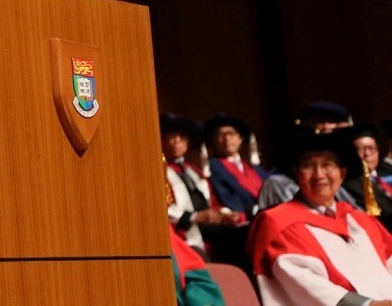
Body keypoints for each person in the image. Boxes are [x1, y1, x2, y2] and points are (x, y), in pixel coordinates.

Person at [248, 126, 392, 305]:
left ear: (342, 174)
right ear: (296, 174)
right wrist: (367, 304)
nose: (319, 175)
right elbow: (304, 283)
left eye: (327, 165)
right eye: (308, 166)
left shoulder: (359, 219)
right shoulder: (278, 222)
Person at [259, 101, 359, 211]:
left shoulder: (337, 184)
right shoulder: (277, 184)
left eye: (327, 165)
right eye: (308, 165)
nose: (326, 126)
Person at [162, 113, 237, 256]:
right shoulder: (157, 171)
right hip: (180, 234)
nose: (177, 141)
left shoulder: (194, 170)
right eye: (171, 136)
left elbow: (211, 201)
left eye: (182, 137)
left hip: (205, 232)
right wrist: (195, 216)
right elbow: (162, 209)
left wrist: (225, 214)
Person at [204, 112, 269, 220]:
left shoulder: (252, 166)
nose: (227, 138)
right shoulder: (211, 168)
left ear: (240, 138)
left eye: (232, 133)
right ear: (212, 140)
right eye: (221, 134)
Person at [344, 124, 392, 229]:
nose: (367, 154)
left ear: (378, 151)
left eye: (371, 148)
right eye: (360, 150)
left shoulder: (386, 174)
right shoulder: (350, 184)